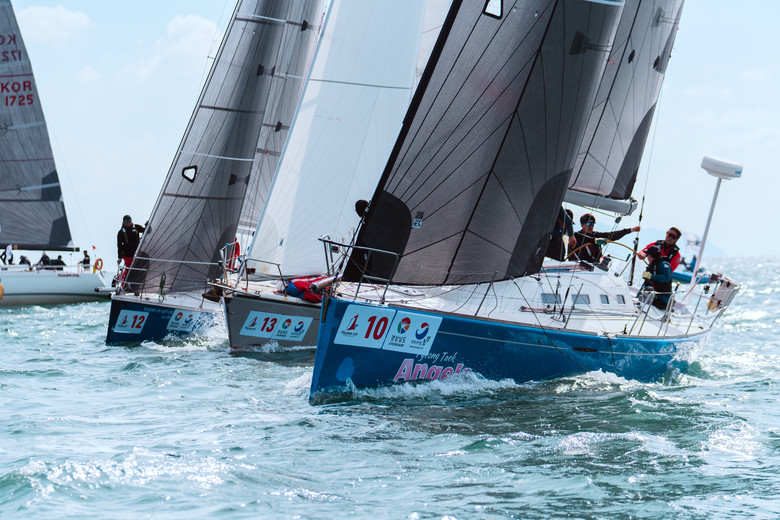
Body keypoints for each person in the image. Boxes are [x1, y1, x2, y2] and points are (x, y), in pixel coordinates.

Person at [572, 213, 640, 265]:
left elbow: (611, 235)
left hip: (594, 266)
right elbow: (586, 239)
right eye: (588, 223)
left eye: (592, 224)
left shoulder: (596, 235)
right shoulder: (576, 236)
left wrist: (630, 230)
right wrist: (597, 241)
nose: (590, 226)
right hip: (578, 266)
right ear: (582, 225)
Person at [641, 245, 673, 311]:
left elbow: (666, 278)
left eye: (647, 255)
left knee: (643, 300)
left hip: (662, 300)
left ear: (650, 256)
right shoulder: (652, 266)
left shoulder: (663, 264)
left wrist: (651, 276)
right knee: (641, 297)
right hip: (654, 295)